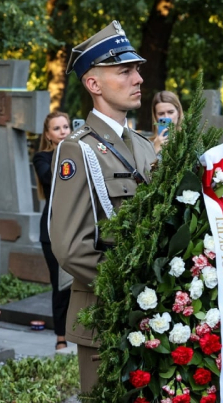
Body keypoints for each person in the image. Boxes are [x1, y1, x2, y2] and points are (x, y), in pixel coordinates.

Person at [48, 20, 157, 394]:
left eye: (137, 70)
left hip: (152, 316)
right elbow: (68, 245)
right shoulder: (77, 149)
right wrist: (133, 286)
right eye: (124, 71)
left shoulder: (143, 145)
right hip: (105, 315)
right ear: (93, 84)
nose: (138, 79)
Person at [32, 111, 72, 350]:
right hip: (53, 228)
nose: (63, 132)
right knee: (61, 284)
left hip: (78, 226)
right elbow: (49, 178)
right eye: (57, 129)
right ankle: (61, 336)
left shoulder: (80, 154)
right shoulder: (43, 157)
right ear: (48, 134)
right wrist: (63, 151)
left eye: (66, 127)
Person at [148, 90, 184, 155]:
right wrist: (155, 150)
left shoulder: (190, 140)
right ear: (155, 116)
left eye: (170, 112)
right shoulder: (147, 144)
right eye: (161, 114)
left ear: (178, 113)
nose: (166, 117)